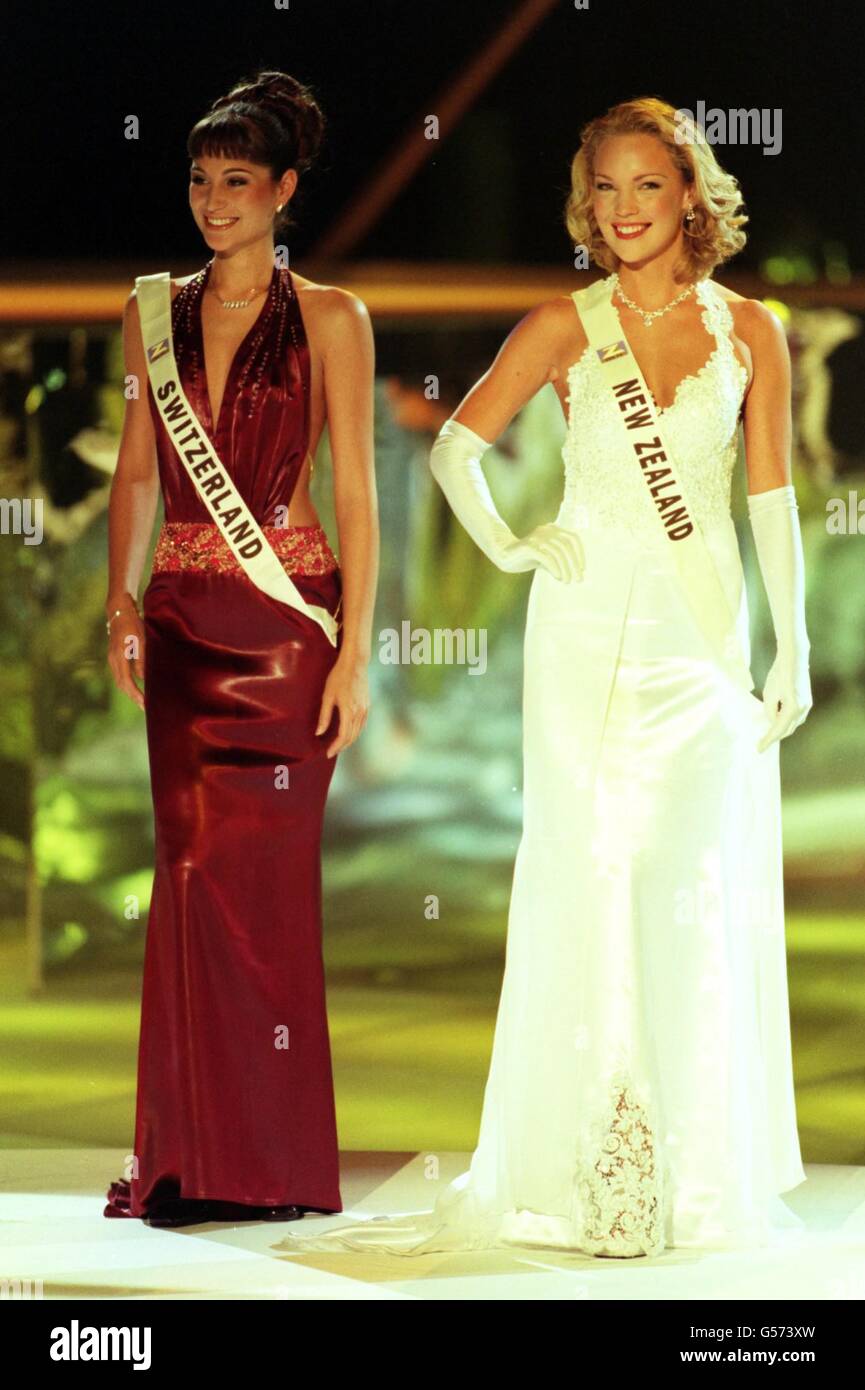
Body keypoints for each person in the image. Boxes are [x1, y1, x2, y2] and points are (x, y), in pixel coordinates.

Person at [274, 97, 811, 1260]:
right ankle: (587, 1177)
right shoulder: (564, 326)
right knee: (594, 872)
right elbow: (460, 445)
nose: (621, 209)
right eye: (604, 189)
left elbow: (767, 495)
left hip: (699, 637)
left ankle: (690, 1173)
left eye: (645, 187)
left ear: (689, 196)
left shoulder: (750, 331)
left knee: (685, 877)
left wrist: (793, 646)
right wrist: (513, 549)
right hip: (579, 640)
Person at [102, 70, 377, 1227]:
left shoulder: (333, 317)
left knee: (263, 891)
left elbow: (356, 490)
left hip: (283, 631)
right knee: (186, 877)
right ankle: (187, 1159)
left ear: (283, 192)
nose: (214, 204)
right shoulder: (148, 309)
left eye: (237, 184)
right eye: (201, 182)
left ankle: (268, 1164)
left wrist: (357, 650)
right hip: (177, 627)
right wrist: (119, 604)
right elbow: (131, 471)